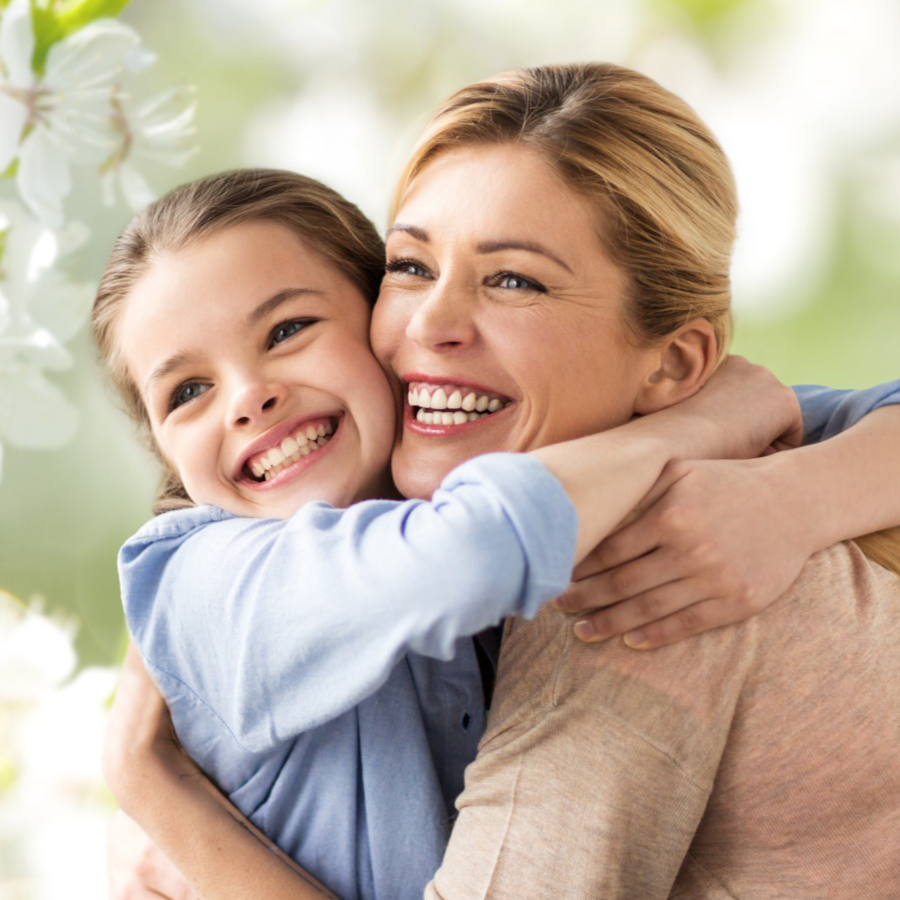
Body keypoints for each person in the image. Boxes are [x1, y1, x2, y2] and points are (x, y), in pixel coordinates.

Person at [103, 63, 900, 899]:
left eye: (513, 279)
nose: (433, 325)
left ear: (673, 363)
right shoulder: (209, 575)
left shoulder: (653, 547)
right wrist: (157, 794)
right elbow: (476, 544)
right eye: (412, 267)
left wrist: (791, 499)